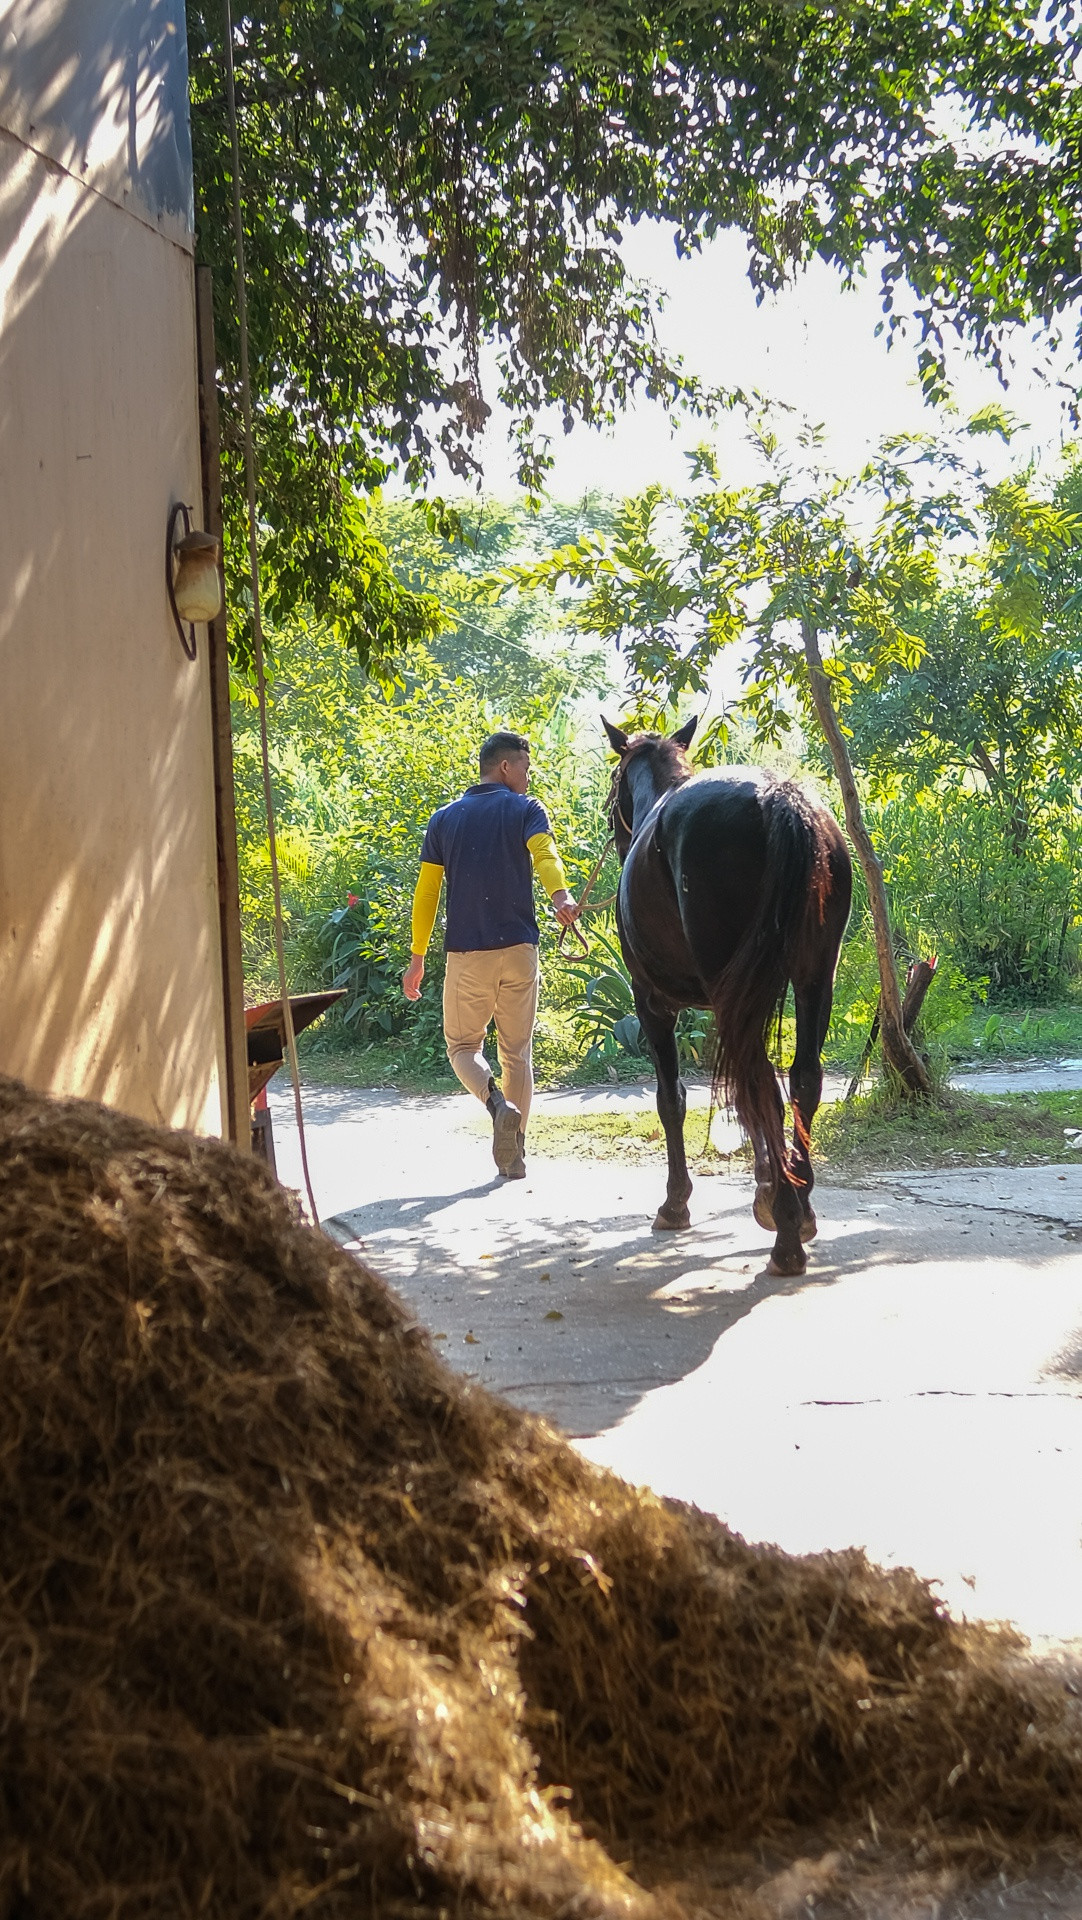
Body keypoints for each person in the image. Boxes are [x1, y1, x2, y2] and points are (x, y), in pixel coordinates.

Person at [401, 731, 578, 1179]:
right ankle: (515, 1153)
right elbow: (545, 856)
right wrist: (561, 899)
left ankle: (497, 1105)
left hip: (468, 953)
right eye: (525, 765)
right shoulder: (527, 809)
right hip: (520, 949)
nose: (528, 774)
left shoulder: (444, 819)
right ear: (505, 767)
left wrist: (417, 957)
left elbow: (427, 893)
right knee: (517, 1053)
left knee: (462, 1047)